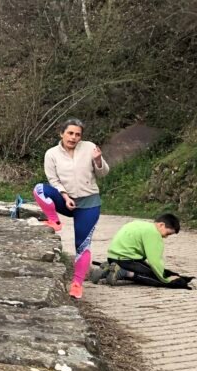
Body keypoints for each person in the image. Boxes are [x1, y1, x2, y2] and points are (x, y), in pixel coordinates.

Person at [32, 118, 110, 299]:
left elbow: (103, 173)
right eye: (70, 133)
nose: (74, 138)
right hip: (66, 200)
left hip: (89, 203)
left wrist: (98, 160)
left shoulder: (89, 147)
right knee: (39, 189)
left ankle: (77, 284)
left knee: (82, 245)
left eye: (77, 134)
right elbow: (53, 180)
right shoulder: (51, 154)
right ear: (61, 133)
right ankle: (54, 220)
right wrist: (65, 197)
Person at [95, 213, 192, 289]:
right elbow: (155, 261)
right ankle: (123, 272)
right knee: (153, 276)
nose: (166, 237)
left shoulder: (142, 224)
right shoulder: (154, 233)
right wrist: (165, 280)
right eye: (168, 233)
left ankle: (109, 269)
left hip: (113, 257)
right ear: (161, 225)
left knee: (149, 270)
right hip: (125, 260)